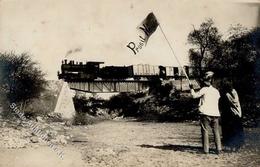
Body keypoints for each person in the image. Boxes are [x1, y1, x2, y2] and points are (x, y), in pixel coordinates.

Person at [189, 71, 222, 154]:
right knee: (216, 132)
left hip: (205, 113)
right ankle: (219, 149)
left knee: (205, 131)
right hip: (215, 114)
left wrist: (191, 88)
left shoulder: (204, 89)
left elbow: (194, 96)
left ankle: (206, 150)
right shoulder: (216, 91)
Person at [219, 80, 244, 151]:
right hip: (237, 114)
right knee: (237, 130)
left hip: (230, 115)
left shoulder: (226, 94)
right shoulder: (234, 92)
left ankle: (231, 146)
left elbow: (223, 104)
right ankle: (237, 146)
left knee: (229, 131)